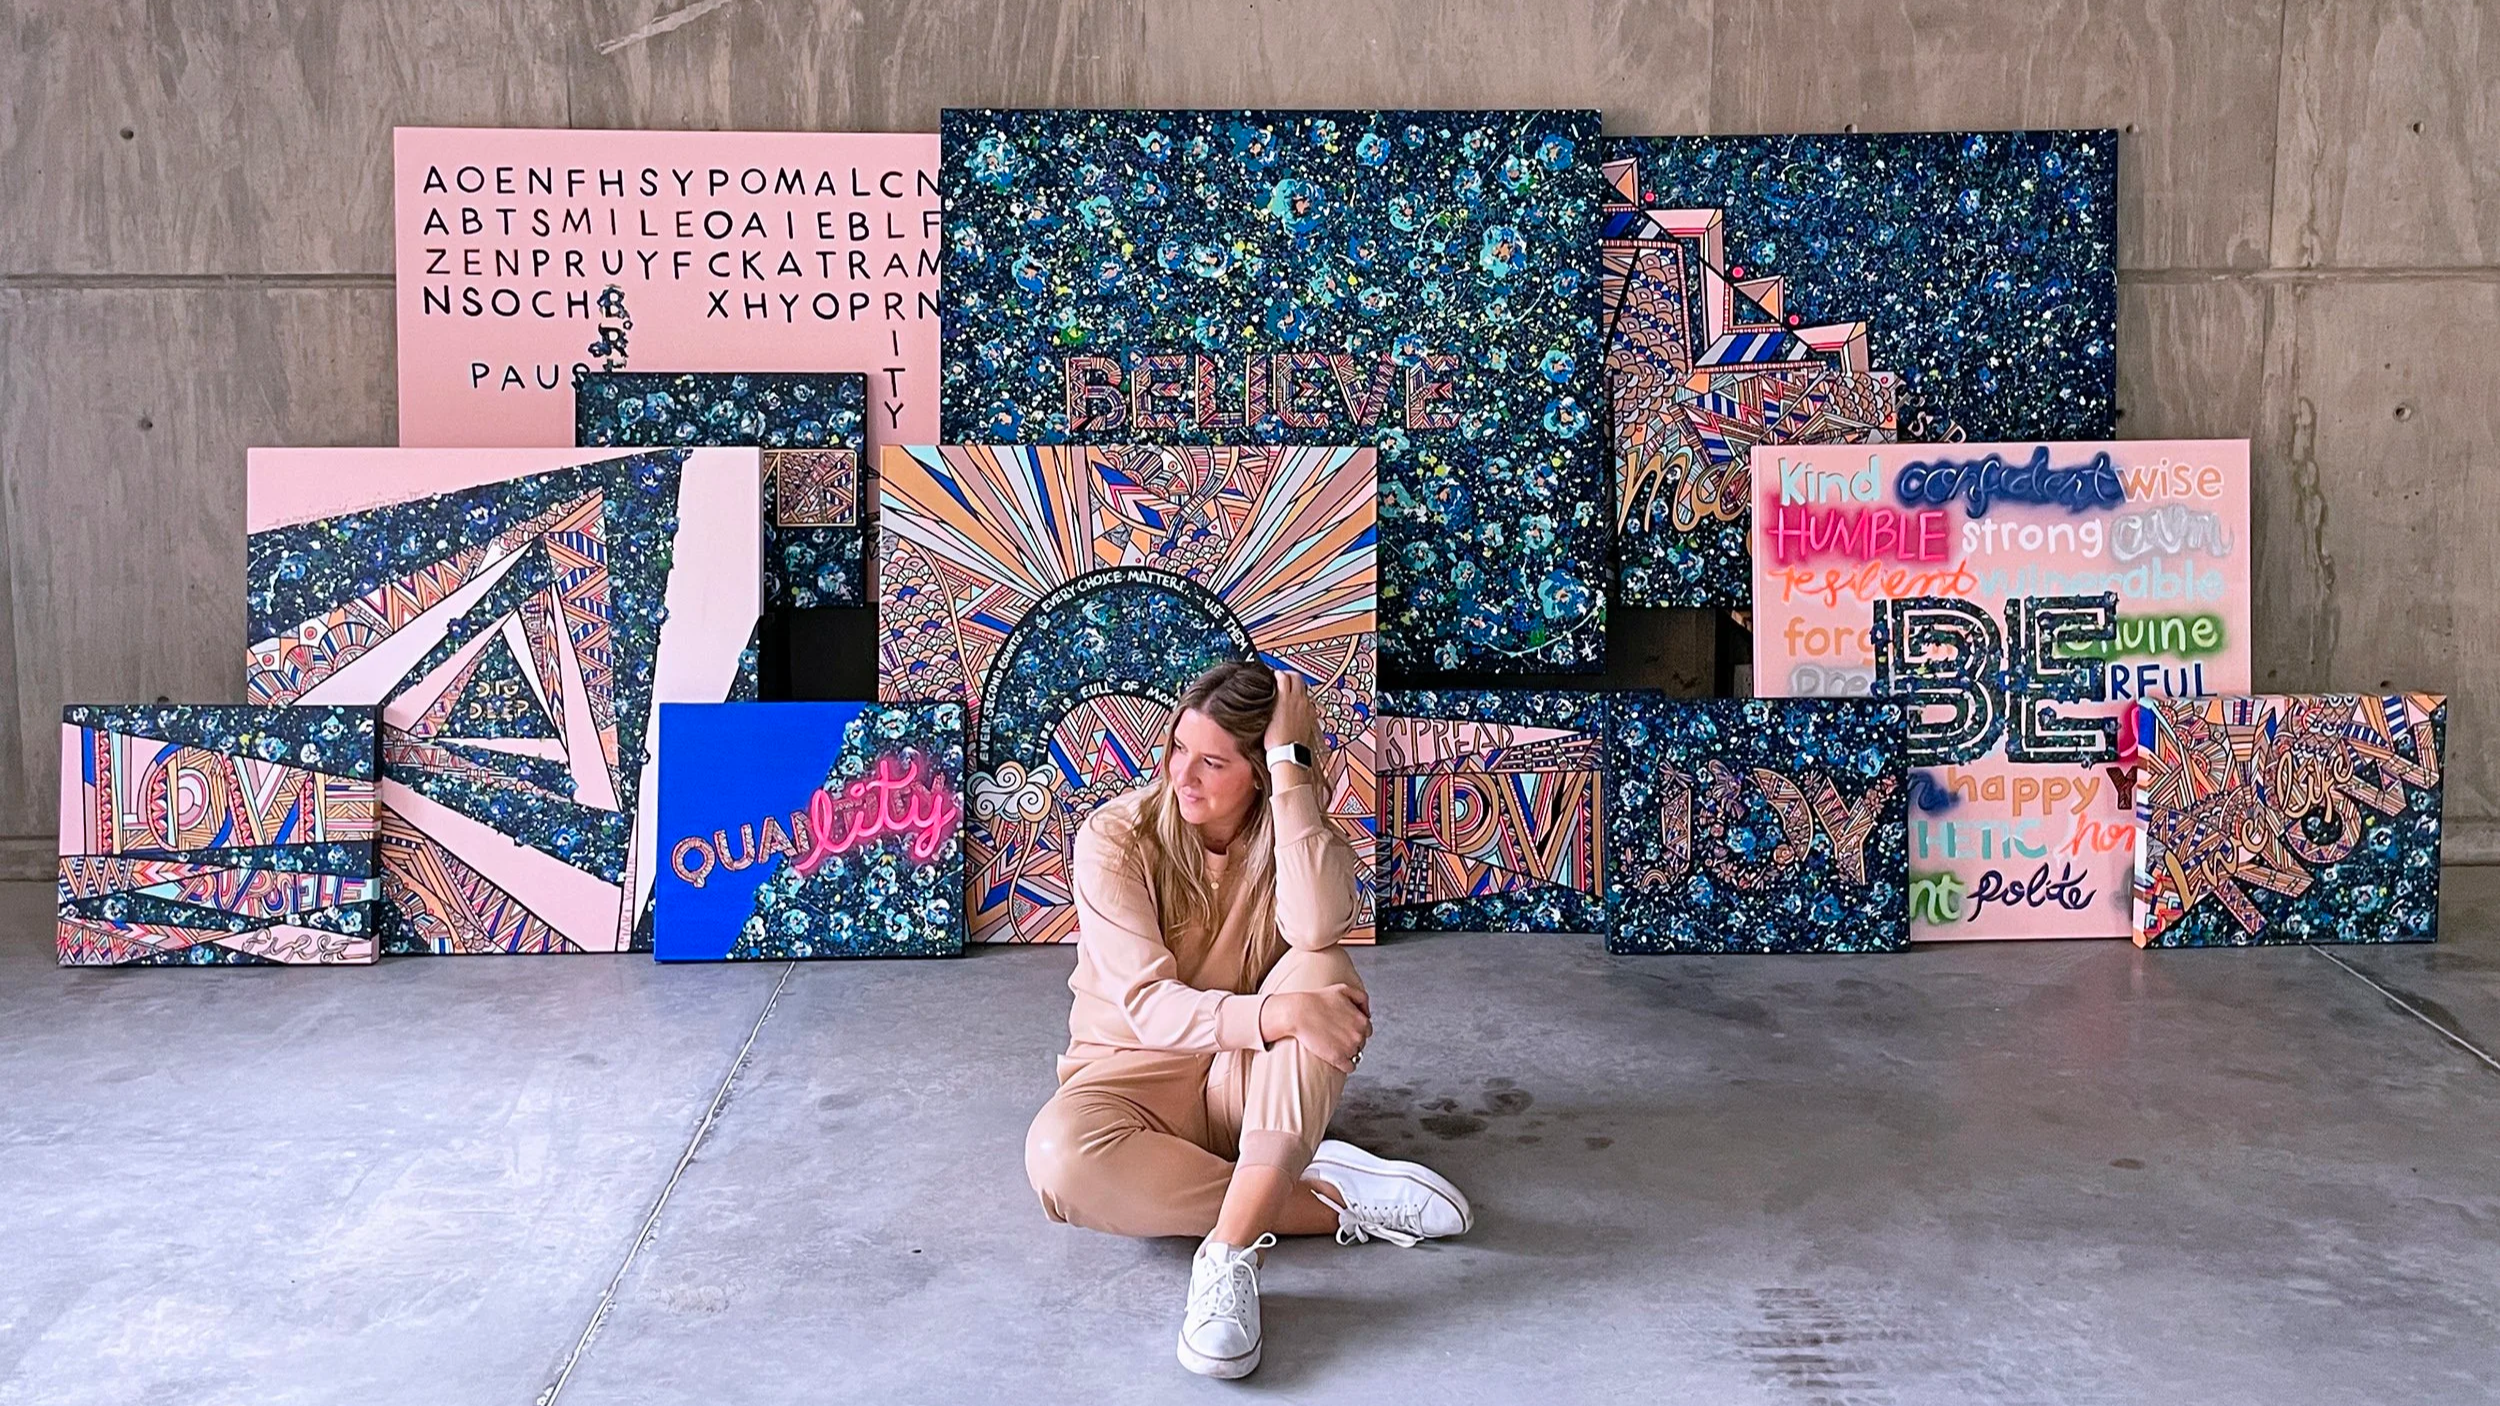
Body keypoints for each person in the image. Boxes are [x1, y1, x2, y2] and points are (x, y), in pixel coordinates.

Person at [1024, 661, 1471, 1379]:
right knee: (1059, 1163)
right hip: (1131, 1079)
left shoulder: (1288, 826)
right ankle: (1332, 1200)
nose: (1183, 776)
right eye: (1177, 749)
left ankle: (1227, 1259)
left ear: (1258, 771)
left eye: (1212, 762)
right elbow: (1148, 1008)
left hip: (1245, 1086)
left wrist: (1294, 773)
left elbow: (1321, 924)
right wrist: (1279, 1012)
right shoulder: (1115, 839)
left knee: (1322, 968)